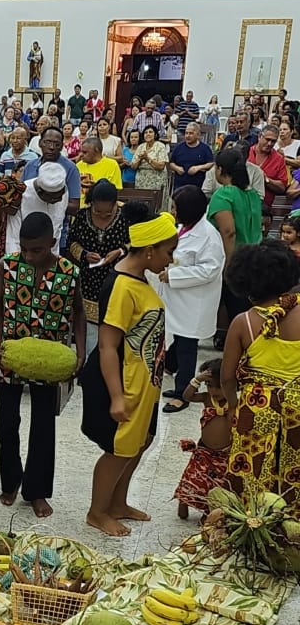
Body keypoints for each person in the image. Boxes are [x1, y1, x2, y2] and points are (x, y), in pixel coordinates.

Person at [80, 207, 178, 537]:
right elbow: (108, 346)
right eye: (169, 252)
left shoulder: (139, 279)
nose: (171, 260)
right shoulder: (122, 286)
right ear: (149, 250)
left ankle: (118, 503)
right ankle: (97, 512)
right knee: (118, 449)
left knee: (141, 442)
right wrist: (117, 396)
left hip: (143, 380)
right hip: (120, 382)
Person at [0, 210, 86, 518]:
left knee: (43, 425)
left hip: (49, 357)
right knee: (6, 424)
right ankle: (11, 481)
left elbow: (79, 314)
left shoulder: (69, 272)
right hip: (12, 352)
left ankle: (36, 491)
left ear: (53, 242)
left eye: (37, 250)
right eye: (25, 249)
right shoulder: (7, 266)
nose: (30, 256)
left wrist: (80, 351)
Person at [220, 242, 300, 516]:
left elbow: (227, 377)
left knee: (252, 471)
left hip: (257, 408)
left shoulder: (244, 322)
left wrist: (232, 405)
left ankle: (251, 522)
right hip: (298, 404)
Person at [153, 186, 224, 412]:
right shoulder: (184, 227)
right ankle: (176, 383)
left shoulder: (209, 237)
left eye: (175, 207)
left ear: (189, 210)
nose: (172, 211)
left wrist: (173, 275)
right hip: (180, 299)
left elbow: (209, 270)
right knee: (180, 341)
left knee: (187, 347)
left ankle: (183, 393)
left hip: (195, 302)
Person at [68, 179, 131, 354]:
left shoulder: (125, 216)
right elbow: (72, 243)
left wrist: (119, 251)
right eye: (98, 211)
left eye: (108, 212)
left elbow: (134, 244)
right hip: (89, 281)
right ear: (91, 203)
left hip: (116, 280)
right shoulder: (82, 216)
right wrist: (84, 254)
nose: (103, 215)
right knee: (91, 333)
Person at [174, 359, 231, 519]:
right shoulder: (207, 398)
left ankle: (209, 513)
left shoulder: (234, 403)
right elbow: (187, 396)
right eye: (209, 385)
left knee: (216, 484)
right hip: (203, 451)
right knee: (193, 478)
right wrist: (197, 379)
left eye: (219, 386)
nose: (214, 390)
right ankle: (183, 503)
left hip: (224, 454)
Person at [21, 125, 82, 217]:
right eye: (47, 142)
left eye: (56, 144)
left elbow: (75, 206)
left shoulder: (70, 169)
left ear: (62, 146)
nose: (51, 147)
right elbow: (20, 195)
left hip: (56, 227)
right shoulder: (30, 166)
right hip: (28, 223)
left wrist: (50, 200)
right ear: (40, 143)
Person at [10, 162, 69, 255]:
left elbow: (58, 228)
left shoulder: (62, 192)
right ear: (40, 192)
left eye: (61, 195)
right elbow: (13, 237)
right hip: (25, 259)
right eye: (55, 198)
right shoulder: (21, 195)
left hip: (52, 258)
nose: (61, 200)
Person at [248, 126, 289, 209]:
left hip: (264, 209)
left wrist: (266, 180)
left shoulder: (278, 159)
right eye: (267, 139)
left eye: (273, 141)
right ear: (259, 137)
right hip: (242, 205)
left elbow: (282, 187)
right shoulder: (246, 152)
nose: (270, 143)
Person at [77, 136, 123, 207]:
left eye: (85, 152)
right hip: (80, 209)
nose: (81, 155)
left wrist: (96, 189)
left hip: (101, 209)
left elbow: (116, 192)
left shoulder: (112, 165)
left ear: (96, 150)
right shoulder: (79, 165)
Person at [168, 122, 214, 190]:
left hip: (197, 186)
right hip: (179, 185)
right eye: (186, 133)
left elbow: (211, 163)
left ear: (198, 135)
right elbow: (171, 163)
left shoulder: (205, 148)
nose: (188, 136)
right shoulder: (179, 147)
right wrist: (177, 168)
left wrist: (198, 168)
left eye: (191, 133)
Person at [129, 125, 168, 197]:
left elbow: (161, 166)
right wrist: (140, 159)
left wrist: (147, 158)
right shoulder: (141, 147)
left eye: (150, 132)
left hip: (156, 182)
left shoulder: (160, 146)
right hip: (141, 182)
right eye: (146, 132)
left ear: (155, 135)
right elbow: (133, 166)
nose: (148, 134)